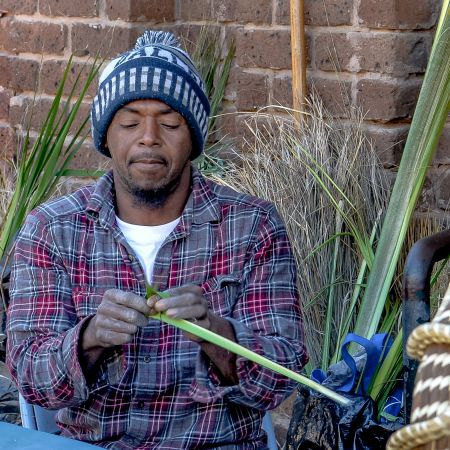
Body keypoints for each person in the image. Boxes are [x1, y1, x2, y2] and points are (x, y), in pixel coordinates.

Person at [6, 30, 308, 449]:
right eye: (130, 122)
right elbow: (31, 379)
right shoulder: (53, 230)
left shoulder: (251, 226)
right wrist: (91, 336)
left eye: (169, 122)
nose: (149, 137)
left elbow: (281, 379)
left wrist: (215, 333)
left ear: (194, 139)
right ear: (106, 136)